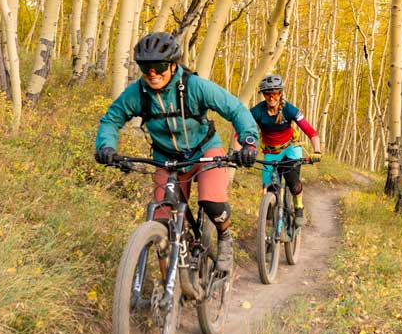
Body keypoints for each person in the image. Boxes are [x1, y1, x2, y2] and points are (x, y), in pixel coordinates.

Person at [95, 32, 259, 272]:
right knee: (161, 219)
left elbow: (236, 109)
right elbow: (111, 119)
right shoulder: (137, 93)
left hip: (204, 151)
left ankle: (225, 237)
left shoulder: (195, 86)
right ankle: (168, 291)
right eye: (145, 67)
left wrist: (248, 142)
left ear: (173, 65)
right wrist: (106, 147)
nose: (152, 73)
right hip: (166, 159)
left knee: (212, 202)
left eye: (159, 66)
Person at [249, 74, 322, 226]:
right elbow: (242, 131)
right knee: (268, 187)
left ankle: (299, 207)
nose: (271, 97)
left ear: (280, 93)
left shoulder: (289, 109)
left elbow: (311, 131)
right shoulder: (256, 111)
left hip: (290, 150)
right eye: (267, 93)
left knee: (293, 182)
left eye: (274, 93)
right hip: (270, 152)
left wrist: (317, 151)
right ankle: (269, 216)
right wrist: (238, 151)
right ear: (263, 95)